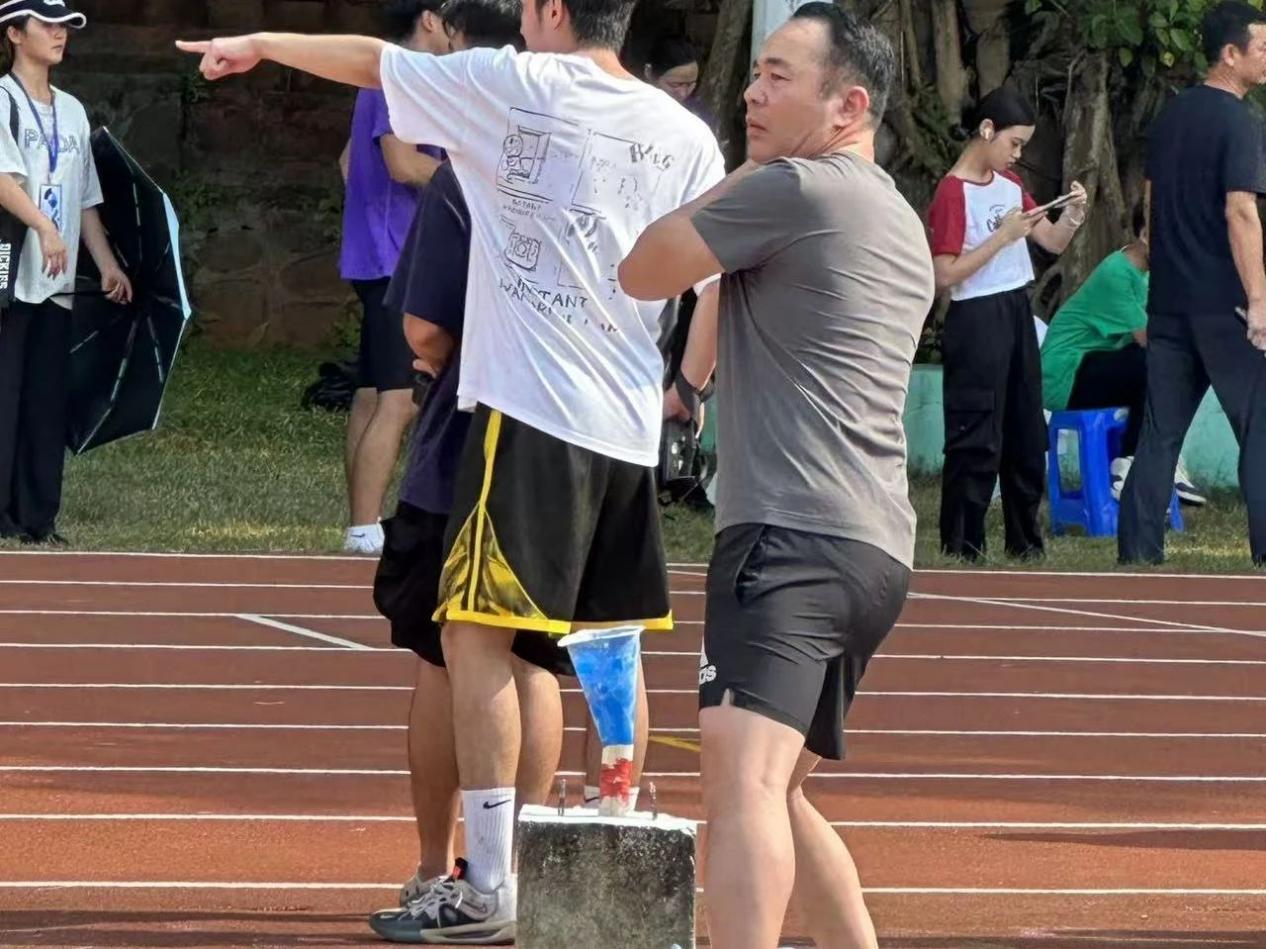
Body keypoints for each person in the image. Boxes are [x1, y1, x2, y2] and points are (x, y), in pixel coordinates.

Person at [178, 0, 724, 941]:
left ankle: (491, 881)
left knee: (474, 639)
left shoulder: (514, 84)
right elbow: (714, 278)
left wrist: (261, 43)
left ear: (551, 11)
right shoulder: (686, 135)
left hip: (531, 413)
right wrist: (688, 387)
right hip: (628, 426)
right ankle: (608, 852)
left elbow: (373, 62)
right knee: (602, 641)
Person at [620, 7, 933, 947]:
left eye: (779, 78)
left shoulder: (794, 189)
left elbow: (645, 267)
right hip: (872, 549)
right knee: (782, 791)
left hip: (788, 534)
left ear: (849, 105)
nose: (753, 94)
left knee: (743, 783)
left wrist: (743, 174)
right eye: (755, 74)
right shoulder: (895, 215)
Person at [1120, 0, 1266, 566]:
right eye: (1261, 47)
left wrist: (1164, 281)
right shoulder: (1241, 122)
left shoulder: (1170, 117)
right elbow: (1240, 212)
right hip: (1226, 306)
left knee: (1159, 434)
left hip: (1171, 303)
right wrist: (1258, 301)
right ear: (1230, 54)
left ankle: (1137, 555)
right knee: (1259, 430)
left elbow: (1151, 207)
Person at [927, 86, 1087, 562]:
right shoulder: (952, 191)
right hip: (976, 314)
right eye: (1014, 143)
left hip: (1016, 309)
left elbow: (1051, 241)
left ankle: (1025, 539)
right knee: (976, 431)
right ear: (987, 130)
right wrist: (1002, 238)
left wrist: (1072, 214)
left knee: (1024, 428)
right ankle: (964, 542)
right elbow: (944, 274)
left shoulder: (1011, 185)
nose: (1017, 154)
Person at [0, 0, 133, 546]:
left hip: (57, 283)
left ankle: (37, 517)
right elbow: (3, 180)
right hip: (11, 274)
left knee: (45, 400)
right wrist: (43, 228)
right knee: (5, 395)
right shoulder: (2, 99)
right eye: (47, 25)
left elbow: (84, 199)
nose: (60, 34)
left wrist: (105, 263)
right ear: (14, 33)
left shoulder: (74, 111)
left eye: (66, 26)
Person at [339, 0, 449, 555]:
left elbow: (347, 161)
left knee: (371, 391)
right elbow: (403, 163)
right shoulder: (403, 75)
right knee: (400, 399)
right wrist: (474, 178)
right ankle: (364, 526)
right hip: (394, 256)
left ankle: (362, 522)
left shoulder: (384, 74)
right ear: (429, 19)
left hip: (377, 251)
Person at [1040, 204, 1206, 505]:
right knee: (1157, 361)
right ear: (1145, 235)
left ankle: (1160, 459)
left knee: (1169, 367)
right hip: (1065, 375)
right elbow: (1151, 339)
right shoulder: (1116, 274)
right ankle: (1129, 462)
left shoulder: (1149, 275)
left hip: (1101, 364)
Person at [643, 34, 715, 131]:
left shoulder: (698, 116)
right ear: (649, 73)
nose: (683, 93)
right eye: (675, 85)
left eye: (690, 85)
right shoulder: (631, 109)